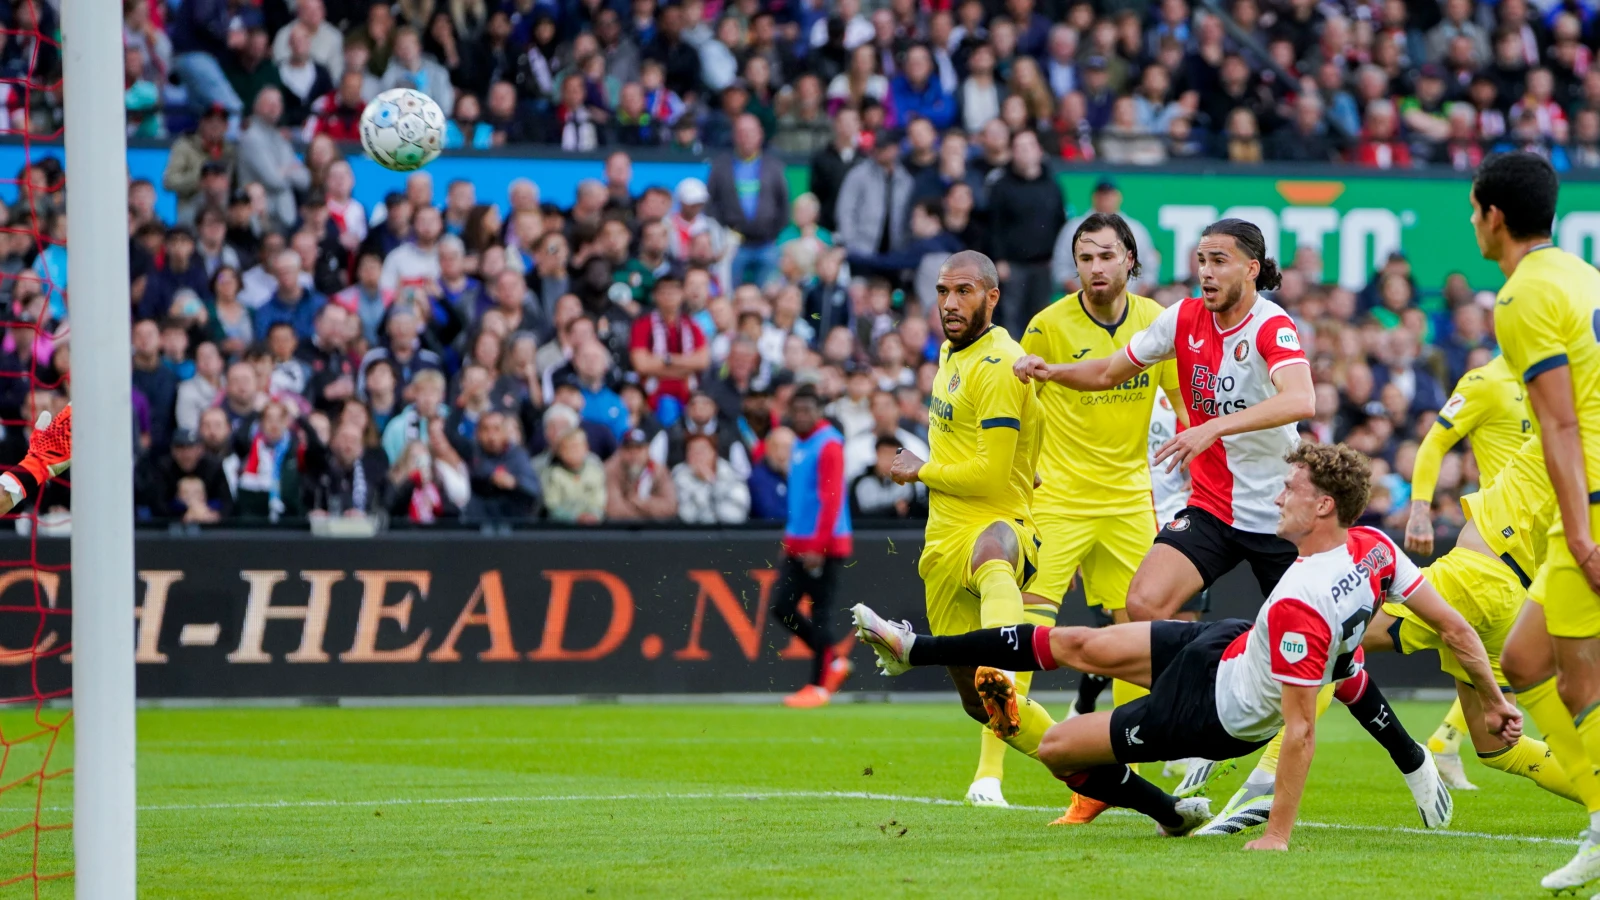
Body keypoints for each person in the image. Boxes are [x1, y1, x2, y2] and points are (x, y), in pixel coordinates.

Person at [854, 443, 1518, 846]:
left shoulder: (1300, 599)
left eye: (1291, 490)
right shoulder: (1375, 550)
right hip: (1226, 645)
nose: (1279, 497)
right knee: (1081, 640)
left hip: (1214, 714)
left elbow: (1298, 731)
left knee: (1058, 748)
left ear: (1322, 508)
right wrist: (1486, 703)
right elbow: (1453, 629)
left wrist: (1277, 838)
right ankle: (918, 649)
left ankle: (1168, 811)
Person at [1201, 444, 1585, 835]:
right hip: (1510, 596)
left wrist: (1419, 508)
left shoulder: (1560, 421)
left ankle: (1265, 780)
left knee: (1327, 641)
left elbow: (1434, 442)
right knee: (1501, 749)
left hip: (1475, 572)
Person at [1005, 213, 1187, 818]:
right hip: (1057, 497)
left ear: (1130, 260)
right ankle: (989, 774)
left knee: (1138, 637)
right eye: (1085, 257)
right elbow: (1019, 410)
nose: (1096, 267)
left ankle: (1113, 781)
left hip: (1131, 501)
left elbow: (1184, 403)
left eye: (1107, 255)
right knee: (1023, 631)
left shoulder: (1156, 322)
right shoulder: (1047, 325)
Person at [881, 249, 1059, 792]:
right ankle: (1095, 773)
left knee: (994, 555)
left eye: (963, 291)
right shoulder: (950, 353)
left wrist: (920, 471)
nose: (950, 303)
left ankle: (1001, 664)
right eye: (942, 292)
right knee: (984, 710)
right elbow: (1031, 425)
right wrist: (1031, 461)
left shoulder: (1001, 363)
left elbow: (987, 477)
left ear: (992, 296)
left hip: (999, 521)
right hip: (942, 539)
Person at [1470, 152, 1600, 893]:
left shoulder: (1520, 298)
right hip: (1581, 508)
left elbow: (1557, 425)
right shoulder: (1582, 276)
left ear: (1493, 213)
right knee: (1522, 662)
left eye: (1472, 212)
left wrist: (1580, 534)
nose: (1473, 226)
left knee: (1583, 683)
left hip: (1591, 505)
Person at [1400, 352, 1532, 788]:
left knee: (1515, 662)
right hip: (1499, 542)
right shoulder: (1487, 382)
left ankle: (1448, 739)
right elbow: (1435, 441)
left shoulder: (1558, 384)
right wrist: (1419, 508)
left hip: (1542, 544)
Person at [771, 387, 854, 707]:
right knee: (782, 607)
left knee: (821, 614)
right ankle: (832, 661)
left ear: (819, 411)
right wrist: (790, 542)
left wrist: (818, 546)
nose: (802, 415)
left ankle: (819, 687)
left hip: (825, 546)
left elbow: (831, 500)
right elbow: (801, 501)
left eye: (808, 409)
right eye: (797, 409)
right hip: (800, 544)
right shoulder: (801, 443)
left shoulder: (829, 444)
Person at [987, 130, 1066, 337]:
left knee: (1041, 317)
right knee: (1011, 317)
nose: (1024, 152)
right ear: (1012, 153)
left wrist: (1056, 256)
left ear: (1039, 151)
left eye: (1029, 146)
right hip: (1013, 266)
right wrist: (999, 259)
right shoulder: (1002, 186)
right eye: (1019, 148)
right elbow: (994, 225)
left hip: (1044, 264)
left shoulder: (1052, 185)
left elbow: (1060, 222)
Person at [706, 114, 789, 288]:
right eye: (742, 132)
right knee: (729, 292)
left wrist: (774, 232)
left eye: (751, 132)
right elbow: (711, 202)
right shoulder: (721, 165)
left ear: (760, 135)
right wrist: (724, 231)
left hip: (767, 244)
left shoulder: (774, 166)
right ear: (734, 136)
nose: (746, 137)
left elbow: (783, 203)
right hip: (733, 245)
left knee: (767, 294)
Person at [672, 433, 751, 524]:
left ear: (714, 453)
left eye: (702, 451)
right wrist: (703, 486)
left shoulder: (731, 474)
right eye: (692, 451)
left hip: (729, 534)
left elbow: (737, 515)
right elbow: (686, 516)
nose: (698, 456)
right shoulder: (678, 478)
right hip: (692, 535)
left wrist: (712, 482)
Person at [604, 427, 679, 521]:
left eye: (639, 449)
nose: (634, 454)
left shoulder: (659, 470)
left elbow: (670, 506)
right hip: (620, 530)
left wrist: (640, 503)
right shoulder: (611, 469)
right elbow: (614, 510)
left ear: (647, 450)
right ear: (621, 451)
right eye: (629, 449)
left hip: (655, 530)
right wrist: (647, 517)